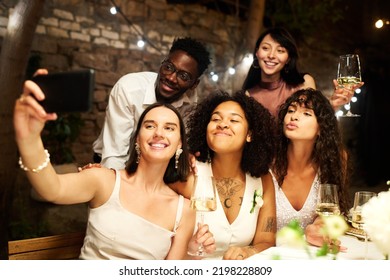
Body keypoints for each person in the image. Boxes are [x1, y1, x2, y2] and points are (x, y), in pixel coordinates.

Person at [14, 81, 215, 259]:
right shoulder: (103, 180)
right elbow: (52, 189)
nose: (159, 133)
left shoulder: (184, 210)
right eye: (150, 126)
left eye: (169, 128)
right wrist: (29, 139)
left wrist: (192, 255)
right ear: (137, 138)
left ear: (180, 143)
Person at [170, 90, 277, 260]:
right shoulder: (188, 174)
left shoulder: (263, 179)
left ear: (250, 134)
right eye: (215, 119)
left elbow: (266, 240)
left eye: (234, 120)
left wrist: (248, 251)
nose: (222, 124)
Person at [93, 37, 211, 169]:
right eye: (169, 67)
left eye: (183, 76)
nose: (171, 78)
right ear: (162, 64)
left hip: (151, 169)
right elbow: (115, 156)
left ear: (194, 84)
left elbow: (177, 146)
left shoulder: (190, 102)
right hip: (113, 164)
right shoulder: (128, 89)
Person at [270, 88, 350, 247]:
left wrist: (319, 226)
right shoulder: (268, 163)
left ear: (321, 127)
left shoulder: (334, 160)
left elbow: (332, 209)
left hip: (311, 254)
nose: (294, 116)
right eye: (291, 110)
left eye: (306, 114)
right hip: (271, 253)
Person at [242, 27, 363, 118]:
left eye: (280, 50)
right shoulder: (249, 94)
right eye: (265, 48)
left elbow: (315, 121)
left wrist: (333, 104)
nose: (271, 55)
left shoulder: (303, 83)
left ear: (288, 58)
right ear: (257, 52)